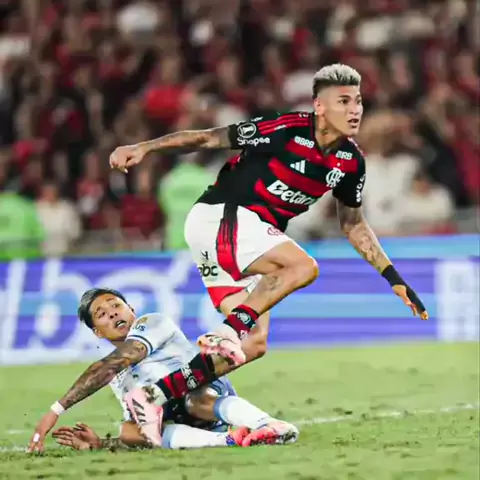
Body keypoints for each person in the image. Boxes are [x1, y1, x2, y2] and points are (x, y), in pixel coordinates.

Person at [29, 64, 429, 447]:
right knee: (301, 267)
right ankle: (226, 330)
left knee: (253, 344)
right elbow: (207, 138)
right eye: (343, 101)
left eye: (358, 101)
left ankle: (154, 395)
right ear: (319, 106)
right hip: (221, 215)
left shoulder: (350, 162)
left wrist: (393, 277)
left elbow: (353, 224)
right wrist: (144, 147)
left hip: (242, 236)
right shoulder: (287, 129)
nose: (355, 109)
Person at [28, 288, 298, 452]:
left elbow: (118, 360)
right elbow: (143, 431)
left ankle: (269, 425)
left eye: (116, 305)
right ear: (97, 332)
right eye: (101, 314)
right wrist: (100, 444)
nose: (112, 313)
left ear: (131, 309)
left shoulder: (152, 323)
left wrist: (56, 410)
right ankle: (227, 440)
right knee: (130, 430)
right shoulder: (116, 378)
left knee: (192, 399)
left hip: (201, 389)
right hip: (174, 415)